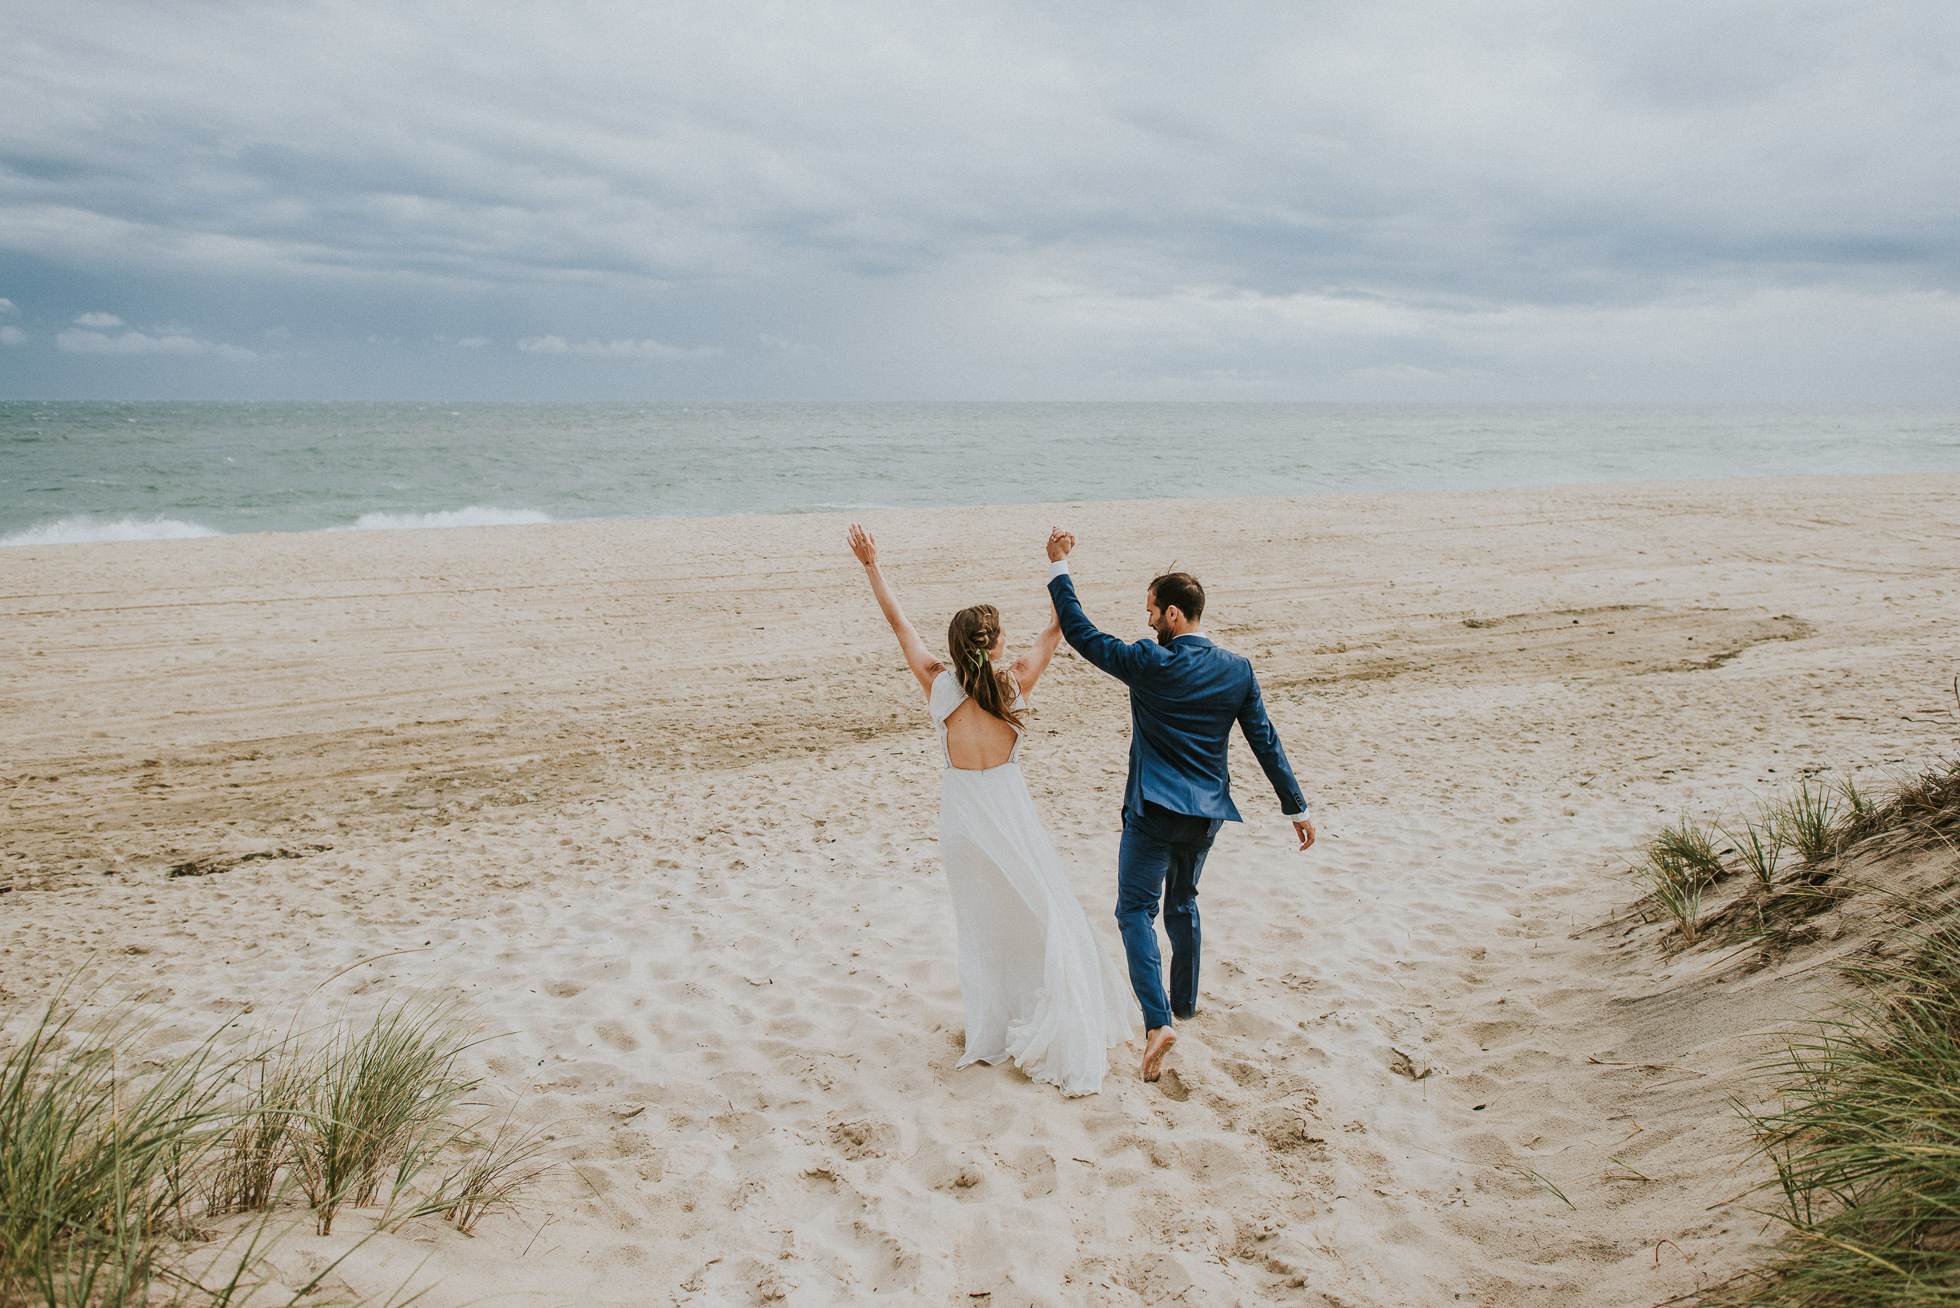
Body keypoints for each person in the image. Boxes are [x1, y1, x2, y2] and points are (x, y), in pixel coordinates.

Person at [847, 524, 1137, 1096]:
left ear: (957, 645)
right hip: (1009, 809)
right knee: (1043, 910)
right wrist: (1059, 564)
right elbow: (1060, 626)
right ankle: (1043, 1004)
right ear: (996, 642)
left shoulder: (936, 682)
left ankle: (993, 1026)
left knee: (982, 930)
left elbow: (898, 623)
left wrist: (871, 566)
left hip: (961, 815)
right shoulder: (1016, 682)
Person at [1044, 527, 1314, 1082]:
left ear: (1172, 614)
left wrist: (1059, 567)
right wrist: (1296, 808)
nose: (1145, 622)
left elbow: (1081, 633)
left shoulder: (1149, 662)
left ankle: (1158, 1021)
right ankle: (1185, 1004)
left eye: (1150, 612)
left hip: (1153, 812)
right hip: (1207, 812)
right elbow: (1265, 740)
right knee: (1183, 903)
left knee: (1133, 912)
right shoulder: (1235, 669)